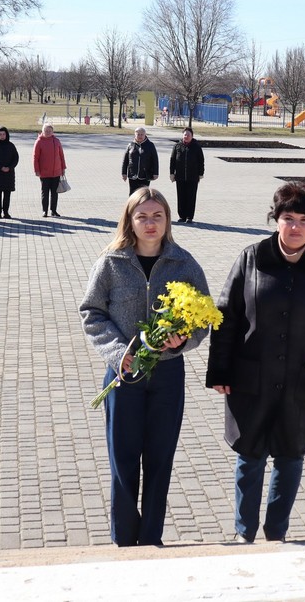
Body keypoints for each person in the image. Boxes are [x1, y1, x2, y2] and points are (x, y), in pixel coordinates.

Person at [206, 182, 305, 544]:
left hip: (302, 380)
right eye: (288, 218)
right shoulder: (252, 258)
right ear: (276, 220)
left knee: (290, 457)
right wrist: (220, 369)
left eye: (304, 220)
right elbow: (226, 316)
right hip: (251, 378)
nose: (295, 227)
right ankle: (244, 533)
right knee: (250, 456)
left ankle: (277, 535)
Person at [79, 188, 211, 547]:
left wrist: (182, 341)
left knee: (159, 459)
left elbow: (204, 319)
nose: (150, 223)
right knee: (123, 461)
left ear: (167, 220)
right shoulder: (111, 263)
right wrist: (116, 352)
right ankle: (124, 539)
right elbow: (92, 312)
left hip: (167, 377)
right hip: (124, 375)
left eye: (157, 216)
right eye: (142, 216)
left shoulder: (184, 264)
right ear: (130, 221)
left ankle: (152, 540)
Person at [169, 127, 205, 224]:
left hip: (193, 177)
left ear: (192, 136)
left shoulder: (196, 147)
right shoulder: (177, 146)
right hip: (180, 176)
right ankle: (182, 216)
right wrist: (172, 173)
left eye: (188, 135)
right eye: (185, 134)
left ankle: (189, 216)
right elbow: (172, 160)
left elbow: (201, 161)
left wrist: (201, 173)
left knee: (191, 197)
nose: (186, 136)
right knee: (181, 196)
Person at [33, 123, 66, 217]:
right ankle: (45, 211)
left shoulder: (57, 141)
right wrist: (36, 170)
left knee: (54, 193)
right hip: (44, 172)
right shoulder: (39, 142)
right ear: (42, 131)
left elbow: (61, 155)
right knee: (45, 192)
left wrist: (63, 168)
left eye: (49, 131)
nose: (47, 132)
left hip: (56, 172)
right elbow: (35, 157)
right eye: (46, 131)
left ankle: (53, 210)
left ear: (52, 132)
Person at [0, 126, 19, 218]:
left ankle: (6, 212)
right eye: (0, 134)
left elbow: (15, 158)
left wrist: (10, 167)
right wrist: (0, 167)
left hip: (9, 174)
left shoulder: (11, 146)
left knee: (7, 194)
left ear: (7, 135)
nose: (2, 136)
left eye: (3, 134)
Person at [121, 127, 158, 194]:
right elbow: (125, 160)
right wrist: (124, 173)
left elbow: (155, 160)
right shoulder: (130, 145)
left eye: (142, 134)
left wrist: (156, 173)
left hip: (145, 175)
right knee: (133, 194)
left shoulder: (150, 145)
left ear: (145, 135)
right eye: (138, 134)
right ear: (135, 135)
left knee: (144, 194)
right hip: (132, 174)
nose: (140, 136)